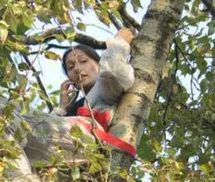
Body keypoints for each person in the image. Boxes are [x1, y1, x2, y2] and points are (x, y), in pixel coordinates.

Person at [21, 28, 137, 166]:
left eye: (83, 61)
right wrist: (62, 109)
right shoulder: (78, 105)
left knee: (16, 118)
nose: (77, 68)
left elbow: (113, 73)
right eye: (70, 67)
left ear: (99, 64)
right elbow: (46, 137)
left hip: (88, 143)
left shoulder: (105, 87)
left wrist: (120, 43)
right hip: (70, 160)